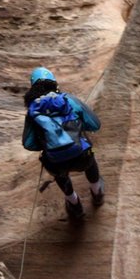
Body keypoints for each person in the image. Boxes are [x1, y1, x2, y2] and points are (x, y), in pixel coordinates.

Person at [22, 67, 105, 220]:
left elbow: (28, 143)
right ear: (54, 83)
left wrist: (47, 142)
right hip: (82, 157)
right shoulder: (69, 100)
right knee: (89, 152)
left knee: (55, 166)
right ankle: (97, 192)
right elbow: (95, 125)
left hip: (56, 162)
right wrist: (78, 127)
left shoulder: (32, 111)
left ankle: (74, 204)